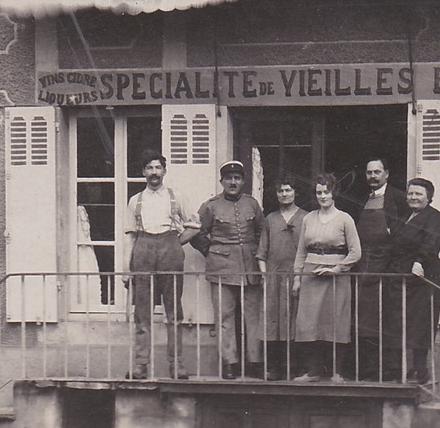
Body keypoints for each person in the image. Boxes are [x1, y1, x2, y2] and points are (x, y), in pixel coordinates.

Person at [123, 155, 196, 380]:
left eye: (158, 168)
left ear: (165, 171)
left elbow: (194, 225)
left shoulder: (177, 197)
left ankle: (177, 365)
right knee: (142, 313)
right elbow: (130, 237)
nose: (154, 172)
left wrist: (175, 243)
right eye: (149, 168)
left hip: (169, 250)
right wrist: (127, 268)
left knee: (174, 312)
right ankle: (140, 365)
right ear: (143, 172)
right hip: (143, 250)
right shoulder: (136, 200)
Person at [195, 160, 264, 379]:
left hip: (250, 267)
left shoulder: (252, 204)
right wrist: (213, 252)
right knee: (224, 317)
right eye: (228, 178)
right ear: (221, 181)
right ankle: (229, 363)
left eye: (237, 178)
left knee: (253, 317)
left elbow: (262, 234)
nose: (232, 182)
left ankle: (255, 362)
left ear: (243, 181)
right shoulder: (210, 206)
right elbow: (198, 234)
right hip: (221, 269)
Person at [291, 174, 362, 381]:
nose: (322, 196)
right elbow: (301, 252)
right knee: (308, 323)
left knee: (335, 322)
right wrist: (297, 278)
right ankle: (312, 371)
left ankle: (337, 371)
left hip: (336, 278)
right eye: (319, 192)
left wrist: (337, 269)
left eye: (326, 192)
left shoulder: (344, 219)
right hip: (310, 275)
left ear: (334, 193)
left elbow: (356, 252)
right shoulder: (308, 218)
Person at [351, 157, 410, 381]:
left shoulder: (398, 198)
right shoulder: (361, 198)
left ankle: (391, 370)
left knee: (388, 319)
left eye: (377, 172)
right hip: (365, 265)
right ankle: (368, 369)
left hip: (387, 266)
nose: (372, 177)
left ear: (386, 173)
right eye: (369, 173)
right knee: (366, 320)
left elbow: (405, 233)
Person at [392, 177, 440, 383]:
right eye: (411, 193)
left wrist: (419, 262)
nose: (413, 197)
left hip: (425, 274)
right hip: (403, 275)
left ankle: (421, 370)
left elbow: (431, 243)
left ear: (429, 197)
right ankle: (405, 369)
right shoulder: (405, 216)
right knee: (403, 321)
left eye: (418, 194)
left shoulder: (435, 217)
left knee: (421, 321)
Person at [258, 179, 307, 380]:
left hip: (297, 277)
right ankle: (275, 367)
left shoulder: (305, 218)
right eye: (280, 190)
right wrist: (264, 276)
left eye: (288, 190)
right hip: (273, 278)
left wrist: (301, 276)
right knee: (273, 321)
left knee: (296, 320)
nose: (284, 194)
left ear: (295, 192)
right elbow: (262, 251)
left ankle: (294, 366)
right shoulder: (270, 219)